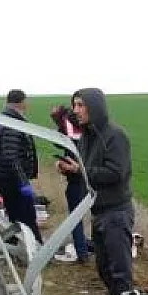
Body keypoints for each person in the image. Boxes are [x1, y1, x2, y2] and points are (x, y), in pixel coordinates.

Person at [64, 88, 133, 295]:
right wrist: (72, 171)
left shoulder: (115, 136)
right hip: (99, 211)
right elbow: (86, 169)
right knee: (104, 269)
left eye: (81, 105)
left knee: (120, 271)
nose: (76, 110)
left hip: (116, 212)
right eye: (75, 105)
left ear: (94, 107)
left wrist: (81, 172)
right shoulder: (87, 137)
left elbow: (116, 173)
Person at [0, 89, 42, 243]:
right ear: (21, 102)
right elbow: (11, 157)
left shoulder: (1, 118)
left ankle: (15, 245)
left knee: (14, 214)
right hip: (12, 179)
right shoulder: (12, 124)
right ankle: (38, 249)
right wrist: (23, 182)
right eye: (25, 102)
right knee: (27, 216)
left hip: (4, 176)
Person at [50, 103, 91, 263]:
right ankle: (92, 250)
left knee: (75, 218)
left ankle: (82, 253)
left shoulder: (71, 128)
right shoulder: (85, 129)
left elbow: (66, 146)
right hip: (87, 179)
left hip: (78, 180)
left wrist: (65, 166)